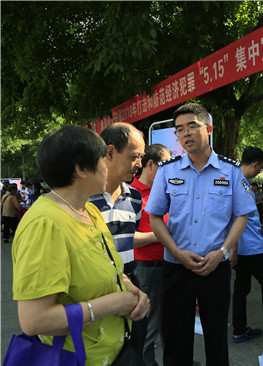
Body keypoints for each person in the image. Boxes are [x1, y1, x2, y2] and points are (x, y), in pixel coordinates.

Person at [11, 125, 149, 365]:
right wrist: (113, 303)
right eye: (102, 158)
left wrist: (130, 288)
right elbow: (34, 320)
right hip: (78, 358)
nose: (107, 164)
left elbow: (109, 267)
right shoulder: (45, 224)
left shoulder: (90, 210)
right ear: (81, 169)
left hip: (115, 351)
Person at [146, 103, 256, 366]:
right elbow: (154, 217)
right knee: (176, 338)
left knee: (217, 337)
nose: (186, 134)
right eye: (180, 130)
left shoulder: (230, 171)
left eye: (192, 126)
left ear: (208, 128)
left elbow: (242, 215)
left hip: (214, 267)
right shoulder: (167, 171)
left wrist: (223, 251)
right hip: (177, 267)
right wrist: (176, 252)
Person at [89, 122, 148, 358]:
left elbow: (129, 238)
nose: (140, 164)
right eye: (135, 157)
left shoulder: (134, 198)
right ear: (110, 152)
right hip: (97, 289)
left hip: (132, 281)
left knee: (135, 350)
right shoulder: (83, 198)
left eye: (142, 157)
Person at [130, 143, 171, 366]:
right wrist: (161, 235)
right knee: (149, 326)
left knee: (168, 324)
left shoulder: (164, 191)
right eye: (164, 166)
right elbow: (128, 238)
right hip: (147, 269)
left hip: (169, 265)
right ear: (150, 164)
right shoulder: (132, 195)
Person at [231, 147, 263, 343]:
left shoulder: (234, 180)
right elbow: (238, 218)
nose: (261, 170)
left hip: (242, 248)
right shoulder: (241, 184)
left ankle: (239, 330)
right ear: (255, 164)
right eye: (261, 166)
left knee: (241, 288)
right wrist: (234, 249)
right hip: (250, 249)